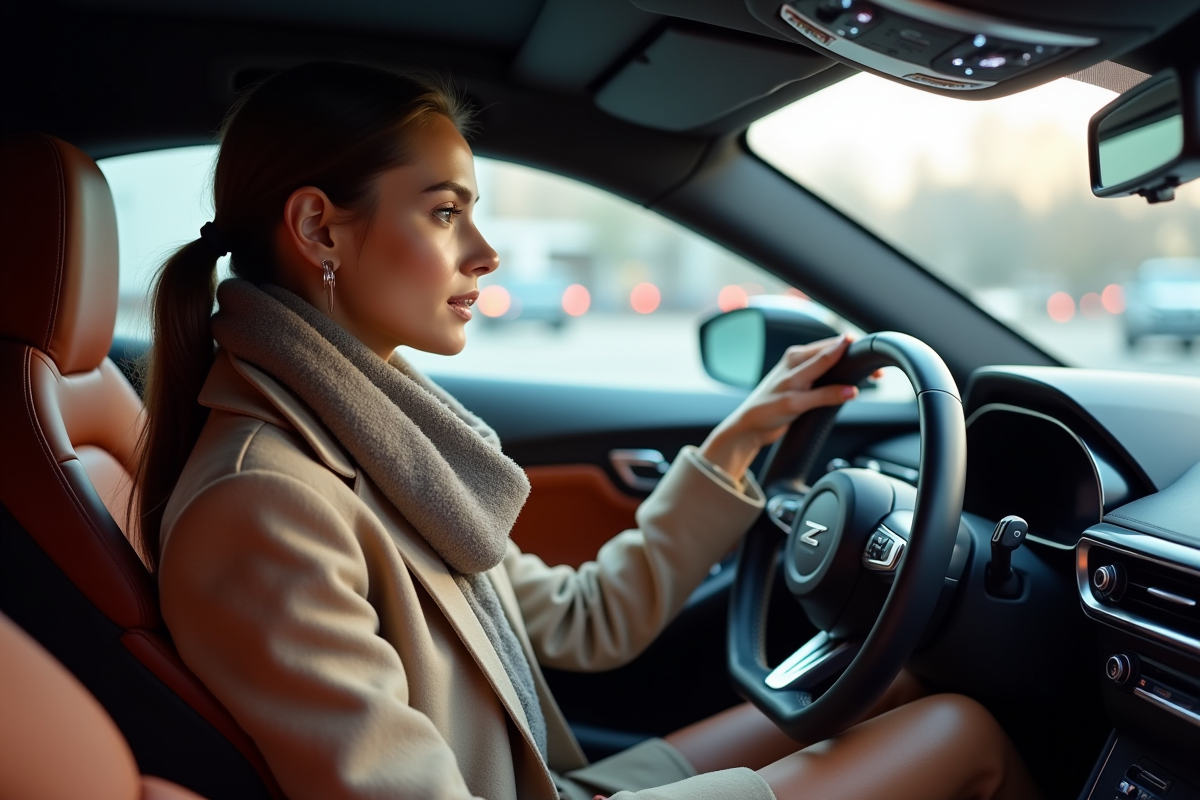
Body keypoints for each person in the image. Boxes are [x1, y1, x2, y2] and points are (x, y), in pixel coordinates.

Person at [136, 61, 1041, 800]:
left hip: (564, 785)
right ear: (316, 229)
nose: (485, 252)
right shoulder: (264, 504)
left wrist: (735, 445)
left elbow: (581, 622)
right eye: (446, 212)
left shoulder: (374, 439)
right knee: (963, 734)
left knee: (897, 682)